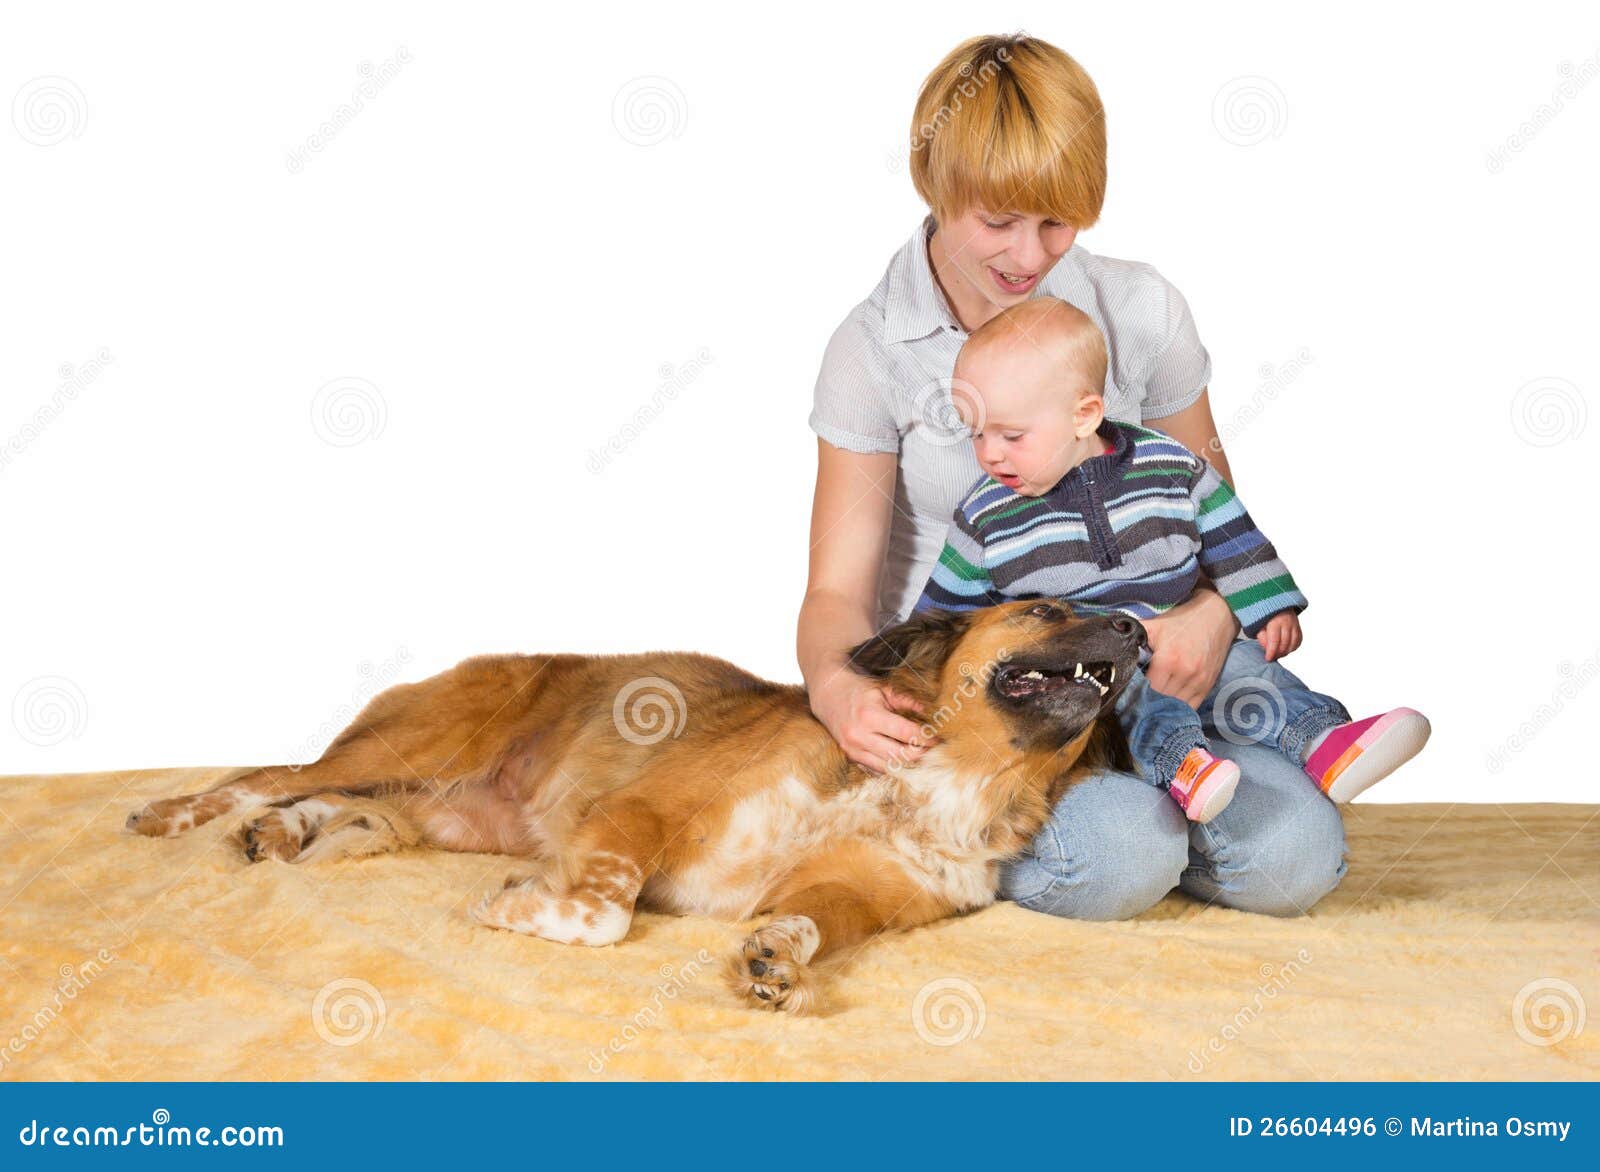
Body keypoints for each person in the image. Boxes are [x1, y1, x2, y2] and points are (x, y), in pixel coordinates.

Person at [799, 32, 1348, 918]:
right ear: (936, 187)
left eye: (1056, 222)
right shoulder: (871, 350)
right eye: (998, 222)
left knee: (1296, 862)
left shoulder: (1139, 308)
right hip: (1003, 707)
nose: (1029, 254)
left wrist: (1213, 616)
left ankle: (1166, 801)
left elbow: (1217, 516)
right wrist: (836, 689)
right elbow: (835, 591)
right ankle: (1130, 832)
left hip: (1169, 682)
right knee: (1124, 855)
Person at [911, 298, 1432, 825]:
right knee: (1127, 697)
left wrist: (1269, 604)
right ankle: (1181, 766)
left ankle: (1323, 742)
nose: (989, 454)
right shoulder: (984, 516)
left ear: (1084, 415)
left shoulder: (1168, 466)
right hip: (1083, 666)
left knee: (1249, 671)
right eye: (975, 433)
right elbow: (941, 617)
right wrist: (914, 688)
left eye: (1011, 436)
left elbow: (1230, 535)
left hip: (1188, 639)